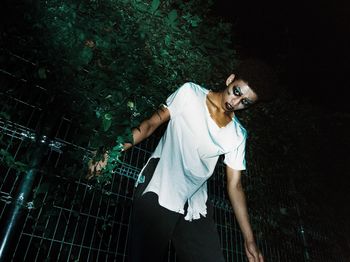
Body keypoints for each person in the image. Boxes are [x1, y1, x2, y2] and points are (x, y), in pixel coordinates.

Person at [89, 59, 275, 262]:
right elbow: (151, 124)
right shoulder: (190, 93)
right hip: (160, 188)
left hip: (194, 204)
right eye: (237, 91)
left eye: (245, 102)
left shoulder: (238, 135)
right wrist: (112, 151)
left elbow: (235, 185)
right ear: (230, 79)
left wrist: (249, 240)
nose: (235, 102)